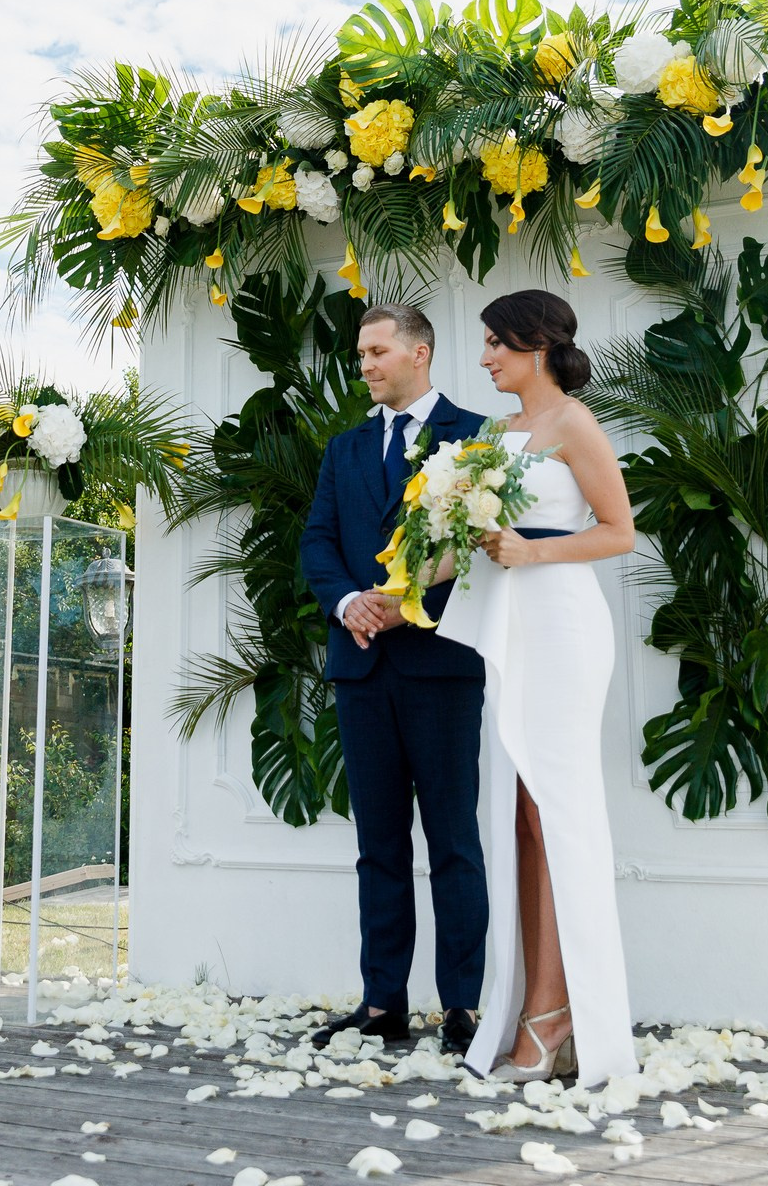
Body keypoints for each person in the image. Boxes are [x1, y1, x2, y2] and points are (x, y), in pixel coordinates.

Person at [437, 289, 638, 1087]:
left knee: (554, 813)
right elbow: (465, 539)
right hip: (509, 629)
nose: (484, 358)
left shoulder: (574, 424)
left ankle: (556, 1014)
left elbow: (620, 531)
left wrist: (535, 555)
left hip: (561, 626)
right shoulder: (496, 436)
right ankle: (537, 1007)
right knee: (520, 818)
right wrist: (406, 587)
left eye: (494, 343)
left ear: (536, 344)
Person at [297, 302, 489, 1053]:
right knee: (378, 844)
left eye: (378, 351)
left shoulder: (474, 438)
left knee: (453, 841)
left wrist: (405, 605)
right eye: (361, 354)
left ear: (421, 352)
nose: (366, 365)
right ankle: (383, 1004)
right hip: (361, 668)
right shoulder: (343, 450)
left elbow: (480, 539)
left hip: (441, 665)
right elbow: (317, 540)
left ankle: (464, 1006)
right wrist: (350, 602)